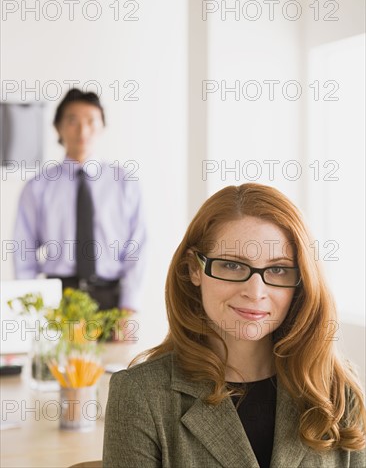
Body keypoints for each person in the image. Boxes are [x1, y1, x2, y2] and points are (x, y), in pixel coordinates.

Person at [103, 183, 365, 467]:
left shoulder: (338, 389)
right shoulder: (140, 395)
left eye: (277, 269)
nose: (255, 292)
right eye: (232, 265)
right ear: (194, 269)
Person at [13, 88, 146, 312]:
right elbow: (22, 249)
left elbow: (139, 245)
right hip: (57, 301)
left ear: (102, 126)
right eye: (73, 121)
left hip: (112, 302)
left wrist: (129, 306)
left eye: (91, 121)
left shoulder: (125, 182)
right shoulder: (38, 187)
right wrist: (29, 307)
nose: (83, 130)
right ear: (58, 127)